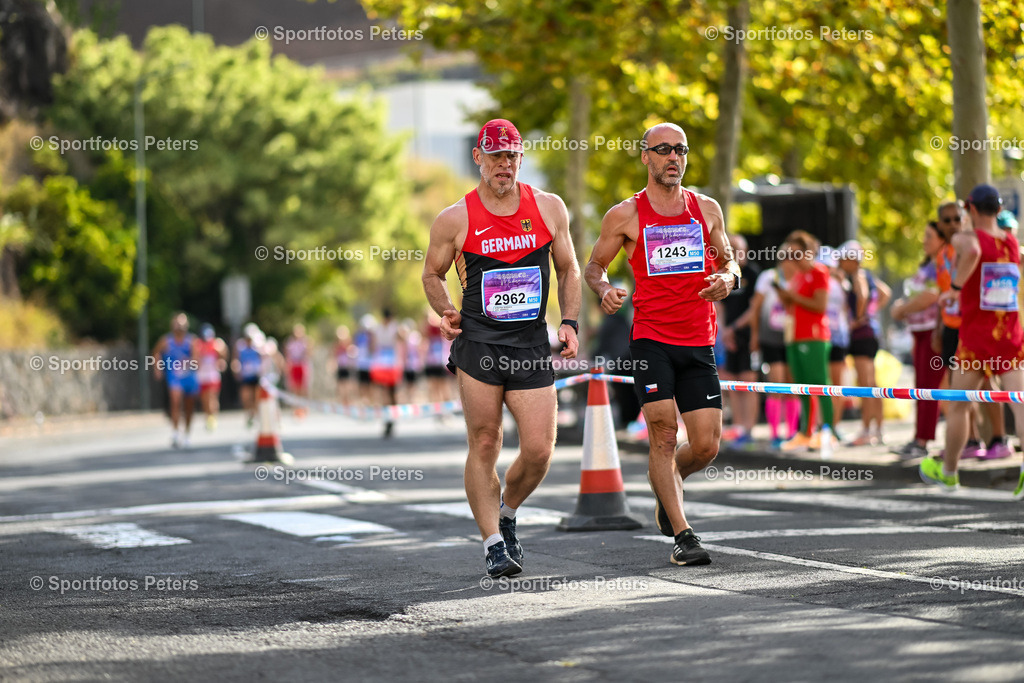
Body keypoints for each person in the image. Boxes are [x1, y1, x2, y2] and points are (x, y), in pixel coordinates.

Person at [422, 118, 581, 577]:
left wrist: (569, 322)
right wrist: (445, 310)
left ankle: (507, 512)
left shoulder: (548, 207)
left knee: (539, 450)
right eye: (495, 156)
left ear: (520, 158)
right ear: (478, 157)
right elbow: (431, 273)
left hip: (530, 344)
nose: (504, 164)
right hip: (479, 345)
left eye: (511, 155)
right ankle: (493, 542)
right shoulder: (455, 218)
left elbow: (569, 268)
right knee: (486, 440)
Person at [586, 122, 740, 567]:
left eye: (681, 150)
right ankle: (683, 534)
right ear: (645, 156)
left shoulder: (707, 209)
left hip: (698, 340)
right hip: (651, 340)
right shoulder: (625, 215)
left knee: (706, 446)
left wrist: (728, 279)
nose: (674, 157)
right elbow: (595, 265)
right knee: (664, 436)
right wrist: (604, 288)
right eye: (664, 150)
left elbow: (729, 261)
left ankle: (666, 486)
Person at [920, 184, 1024, 497]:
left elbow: (975, 252)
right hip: (1009, 336)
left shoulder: (966, 238)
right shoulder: (1011, 241)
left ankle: (949, 473)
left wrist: (954, 288)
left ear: (971, 209)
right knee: (1020, 405)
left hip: (976, 339)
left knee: (959, 406)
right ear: (998, 209)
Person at [933, 201, 1000, 458]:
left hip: (974, 327)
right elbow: (942, 292)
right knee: (958, 390)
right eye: (947, 220)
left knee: (987, 383)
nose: (952, 224)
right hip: (952, 327)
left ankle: (998, 438)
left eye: (956, 218)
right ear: (940, 224)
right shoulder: (942, 253)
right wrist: (938, 328)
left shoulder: (971, 244)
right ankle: (971, 440)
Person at [777, 231, 837, 452]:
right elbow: (791, 305)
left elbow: (820, 306)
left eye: (796, 254)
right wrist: (784, 293)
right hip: (795, 336)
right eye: (789, 254)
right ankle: (806, 432)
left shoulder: (819, 272)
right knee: (801, 386)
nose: (792, 259)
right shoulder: (797, 276)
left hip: (814, 337)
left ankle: (828, 431)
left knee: (819, 383)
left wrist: (793, 297)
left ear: (808, 252)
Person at [890, 222, 944, 458]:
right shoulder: (927, 265)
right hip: (919, 332)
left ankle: (922, 442)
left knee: (929, 390)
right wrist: (902, 308)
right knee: (921, 388)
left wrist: (901, 310)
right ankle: (919, 439)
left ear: (942, 239)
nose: (924, 240)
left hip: (934, 333)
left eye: (929, 236)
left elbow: (931, 296)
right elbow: (916, 296)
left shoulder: (942, 264)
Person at [838, 240, 891, 446]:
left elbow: (862, 295)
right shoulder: (868, 275)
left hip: (861, 335)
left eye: (843, 259)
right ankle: (878, 429)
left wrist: (858, 318)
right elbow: (885, 293)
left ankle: (867, 430)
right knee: (872, 384)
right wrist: (871, 313)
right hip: (871, 333)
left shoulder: (858, 276)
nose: (841, 263)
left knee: (865, 385)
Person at [720, 234, 761, 446]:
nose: (736, 253)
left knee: (748, 382)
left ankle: (748, 429)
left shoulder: (753, 274)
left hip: (748, 337)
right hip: (730, 337)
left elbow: (755, 309)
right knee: (733, 383)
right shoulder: (727, 274)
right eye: (732, 249)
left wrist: (735, 328)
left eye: (739, 249)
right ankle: (738, 428)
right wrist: (725, 332)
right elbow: (720, 306)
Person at [151, 313, 200, 448]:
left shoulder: (191, 341)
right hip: (174, 376)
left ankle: (187, 433)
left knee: (189, 406)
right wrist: (157, 368)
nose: (179, 327)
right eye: (177, 324)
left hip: (189, 376)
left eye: (182, 325)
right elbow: (156, 353)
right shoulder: (166, 341)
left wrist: (188, 362)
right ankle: (175, 432)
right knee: (175, 401)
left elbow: (197, 359)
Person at [821, 247, 851, 439]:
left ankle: (834, 426)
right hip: (820, 338)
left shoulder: (842, 284)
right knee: (820, 384)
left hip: (838, 338)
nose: (827, 269)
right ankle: (822, 426)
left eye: (830, 266)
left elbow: (848, 308)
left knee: (836, 385)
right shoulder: (816, 280)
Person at [370, 308, 405, 438]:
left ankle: (390, 416)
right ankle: (388, 417)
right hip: (387, 362)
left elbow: (373, 345)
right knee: (387, 391)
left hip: (386, 361)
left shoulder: (384, 327)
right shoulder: (389, 327)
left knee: (388, 391)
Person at [194, 323, 228, 431]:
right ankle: (208, 416)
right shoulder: (198, 345)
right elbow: (195, 359)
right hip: (202, 376)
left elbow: (224, 355)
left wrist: (220, 356)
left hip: (213, 375)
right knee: (205, 400)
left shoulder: (217, 343)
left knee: (212, 397)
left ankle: (213, 417)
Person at [233, 329, 264, 427]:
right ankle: (249, 414)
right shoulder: (241, 349)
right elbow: (236, 360)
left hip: (255, 376)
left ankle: (255, 415)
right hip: (246, 376)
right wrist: (236, 369)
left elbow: (263, 359)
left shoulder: (257, 348)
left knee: (256, 397)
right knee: (246, 397)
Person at [283, 324, 311, 417]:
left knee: (303, 388)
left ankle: (304, 407)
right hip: (294, 366)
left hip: (302, 366)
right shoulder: (290, 342)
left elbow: (308, 354)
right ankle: (295, 408)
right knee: (294, 388)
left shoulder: (305, 342)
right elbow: (288, 355)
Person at [332, 325, 355, 406]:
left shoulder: (350, 346)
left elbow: (352, 356)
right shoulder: (337, 347)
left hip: (347, 367)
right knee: (340, 386)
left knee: (348, 386)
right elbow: (334, 356)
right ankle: (342, 402)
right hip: (340, 367)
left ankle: (348, 402)